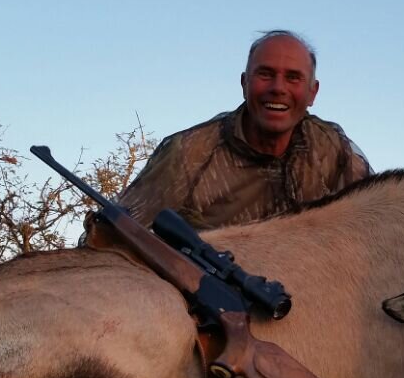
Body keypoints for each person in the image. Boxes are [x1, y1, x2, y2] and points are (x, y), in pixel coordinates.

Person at [112, 30, 370, 231]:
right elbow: (115, 235)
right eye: (266, 74)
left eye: (293, 78)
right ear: (244, 83)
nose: (278, 88)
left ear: (312, 92)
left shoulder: (331, 147)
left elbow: (377, 214)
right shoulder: (188, 154)